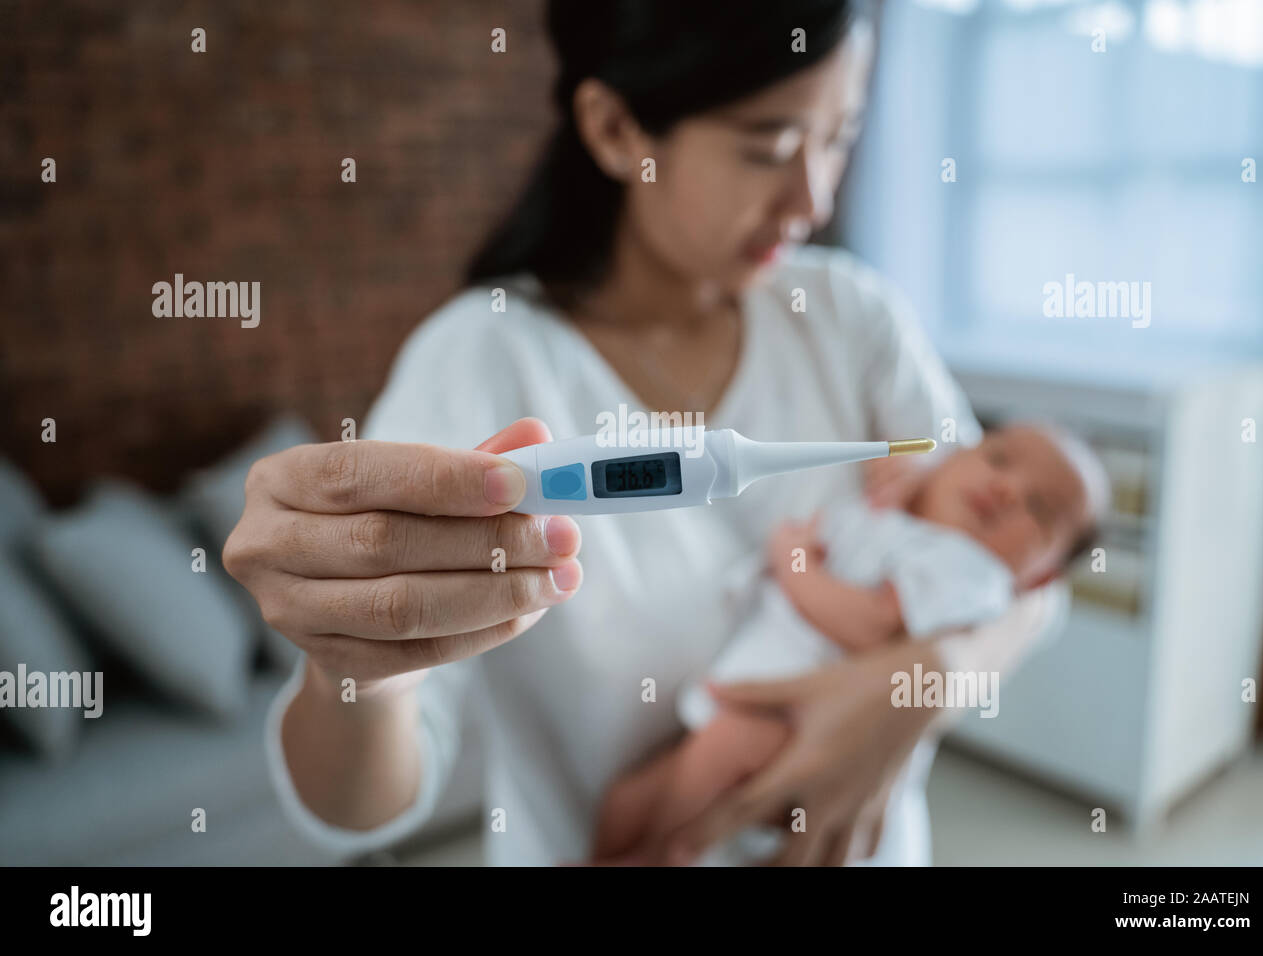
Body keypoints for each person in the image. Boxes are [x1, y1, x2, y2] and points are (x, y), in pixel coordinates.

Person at [224, 0, 1067, 866]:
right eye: (769, 146)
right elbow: (358, 809)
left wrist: (917, 688)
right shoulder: (480, 358)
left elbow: (1033, 570)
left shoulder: (852, 316)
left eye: (841, 135)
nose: (813, 198)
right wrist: (352, 666)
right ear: (618, 129)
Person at [592, 424, 1110, 864]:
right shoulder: (897, 517)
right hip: (746, 690)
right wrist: (906, 492)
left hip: (798, 724)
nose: (1006, 489)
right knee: (625, 802)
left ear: (1040, 580)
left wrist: (793, 562)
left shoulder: (972, 572)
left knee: (718, 757)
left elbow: (872, 624)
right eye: (998, 459)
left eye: (1039, 508)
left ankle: (651, 857)